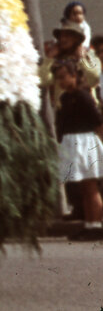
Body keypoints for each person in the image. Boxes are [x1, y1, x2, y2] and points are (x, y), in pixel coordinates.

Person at [53, 57, 103, 240]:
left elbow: (97, 121)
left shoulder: (83, 95)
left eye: (65, 77)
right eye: (59, 78)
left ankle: (97, 225)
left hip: (85, 142)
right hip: (71, 142)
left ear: (74, 75)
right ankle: (89, 225)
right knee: (83, 187)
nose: (62, 81)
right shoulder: (65, 98)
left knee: (91, 186)